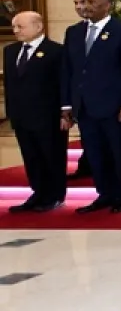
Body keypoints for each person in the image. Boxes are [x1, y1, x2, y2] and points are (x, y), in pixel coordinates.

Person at [61, 0, 121, 214]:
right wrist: (66, 105)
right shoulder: (73, 32)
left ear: (107, 5)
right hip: (84, 106)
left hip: (114, 106)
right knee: (94, 153)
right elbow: (68, 70)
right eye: (78, 2)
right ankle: (104, 194)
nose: (83, 7)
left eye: (89, 2)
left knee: (119, 152)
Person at [5, 11, 67, 212]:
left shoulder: (56, 51)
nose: (15, 31)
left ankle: (54, 195)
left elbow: (63, 84)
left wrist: (65, 113)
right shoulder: (11, 51)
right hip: (22, 117)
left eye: (20, 27)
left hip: (48, 117)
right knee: (31, 158)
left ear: (38, 27)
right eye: (14, 27)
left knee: (52, 156)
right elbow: (10, 85)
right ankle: (38, 193)